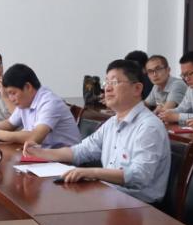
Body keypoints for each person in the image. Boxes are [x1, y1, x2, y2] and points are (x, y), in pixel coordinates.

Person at [23, 59, 170, 203]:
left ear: (137, 88)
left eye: (115, 82)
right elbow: (80, 151)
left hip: (139, 206)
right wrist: (40, 152)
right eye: (107, 82)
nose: (107, 88)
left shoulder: (149, 126)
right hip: (110, 196)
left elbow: (139, 176)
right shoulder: (112, 123)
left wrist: (92, 172)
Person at [0, 63, 81, 148]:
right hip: (43, 154)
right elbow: (9, 124)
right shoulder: (25, 102)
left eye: (13, 93)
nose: (11, 99)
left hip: (65, 158)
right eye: (8, 94)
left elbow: (35, 137)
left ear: (28, 87)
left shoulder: (50, 102)